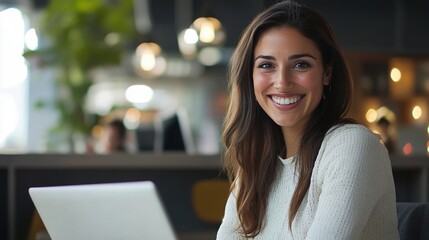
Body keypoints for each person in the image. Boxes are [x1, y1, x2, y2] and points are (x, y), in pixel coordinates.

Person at [217, 1, 399, 239]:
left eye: (300, 64)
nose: (282, 81)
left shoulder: (351, 146)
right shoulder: (257, 166)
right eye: (266, 65)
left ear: (327, 73)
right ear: (249, 77)